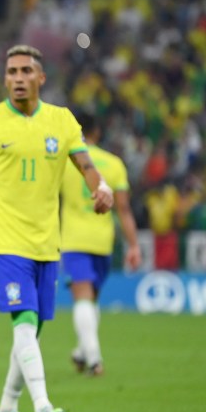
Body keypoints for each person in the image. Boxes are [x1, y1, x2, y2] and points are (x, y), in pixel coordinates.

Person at [0, 45, 113, 412]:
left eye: (26, 71)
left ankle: (7, 408)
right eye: (11, 71)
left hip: (47, 241)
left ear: (41, 78)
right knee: (23, 321)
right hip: (5, 241)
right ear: (4, 79)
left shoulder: (62, 121)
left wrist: (101, 187)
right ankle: (42, 406)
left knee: (33, 328)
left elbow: (86, 164)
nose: (18, 78)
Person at [61, 112, 142, 376]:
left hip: (73, 239)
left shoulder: (64, 162)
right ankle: (86, 354)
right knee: (90, 299)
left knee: (84, 300)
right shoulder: (114, 164)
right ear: (97, 131)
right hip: (103, 241)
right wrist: (133, 245)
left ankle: (91, 357)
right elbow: (124, 209)